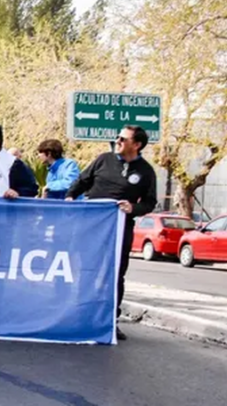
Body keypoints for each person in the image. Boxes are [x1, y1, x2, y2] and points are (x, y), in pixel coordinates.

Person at [66, 125, 157, 341]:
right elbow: (82, 182)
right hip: (92, 225)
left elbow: (149, 202)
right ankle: (80, 315)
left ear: (137, 145)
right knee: (87, 269)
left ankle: (110, 321)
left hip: (120, 228)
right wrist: (70, 197)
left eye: (123, 139)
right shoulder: (103, 160)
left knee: (116, 273)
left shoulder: (146, 171)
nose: (118, 141)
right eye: (118, 137)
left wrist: (133, 208)